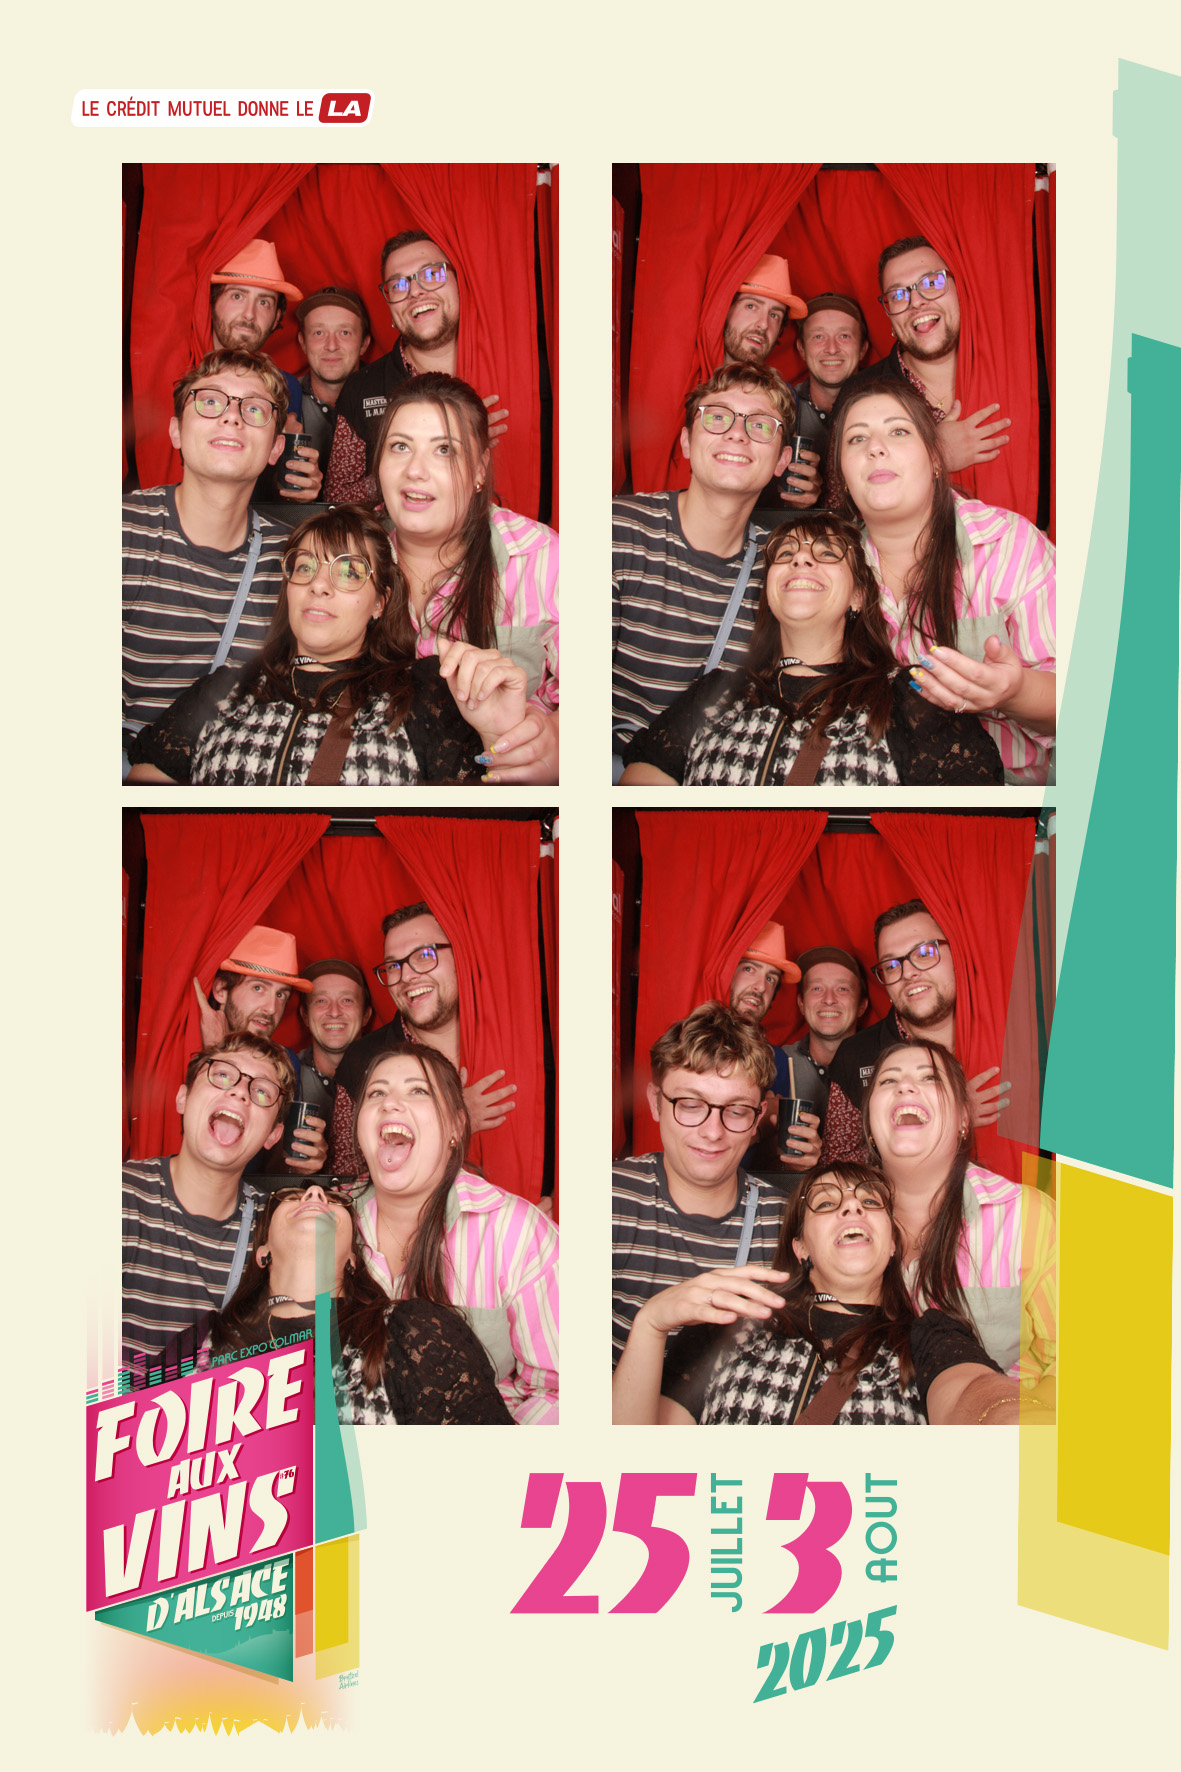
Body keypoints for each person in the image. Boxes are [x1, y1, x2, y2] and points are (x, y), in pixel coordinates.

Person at [125, 504, 529, 786]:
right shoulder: (224, 690)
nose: (319, 585)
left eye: (349, 572)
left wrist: (497, 738)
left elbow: (483, 833)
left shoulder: (421, 695)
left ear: (380, 602)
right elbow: (143, 830)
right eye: (304, 567)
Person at [612, 1162, 1022, 1426]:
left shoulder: (929, 1337)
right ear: (801, 1247)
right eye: (826, 1204)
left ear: (893, 1244)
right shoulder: (727, 1324)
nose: (852, 1209)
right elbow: (636, 1462)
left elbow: (974, 1395)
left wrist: (1013, 1423)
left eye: (870, 1201)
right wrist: (650, 1325)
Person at [618, 512, 1003, 786]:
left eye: (828, 554)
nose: (801, 558)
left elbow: (970, 835)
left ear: (857, 596)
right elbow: (643, 818)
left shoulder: (909, 698)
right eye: (785, 554)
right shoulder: (716, 692)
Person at [830, 376, 1055, 784]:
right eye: (857, 439)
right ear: (843, 474)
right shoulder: (830, 567)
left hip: (1003, 797)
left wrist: (1014, 690)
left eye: (898, 431)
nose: (875, 447)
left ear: (936, 459)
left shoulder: (1008, 544)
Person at [351, 1044, 559, 1424]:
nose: (390, 1103)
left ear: (456, 1127)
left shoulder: (517, 1232)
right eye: (376, 1093)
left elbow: (561, 1391)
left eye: (418, 1090)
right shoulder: (326, 1224)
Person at [373, 372, 558, 783]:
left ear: (479, 468)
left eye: (444, 450)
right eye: (400, 446)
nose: (415, 471)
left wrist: (559, 738)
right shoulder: (350, 556)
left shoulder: (541, 557)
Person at [612, 362, 795, 774]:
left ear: (782, 460)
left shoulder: (782, 569)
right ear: (686, 442)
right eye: (716, 417)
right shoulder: (618, 530)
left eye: (760, 425)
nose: (737, 433)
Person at [206, 1183, 514, 1425]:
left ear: (352, 1260)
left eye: (334, 1200)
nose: (314, 1194)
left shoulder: (415, 1333)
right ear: (263, 1252)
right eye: (291, 1197)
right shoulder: (204, 1352)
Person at [123, 349, 294, 764]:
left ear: (276, 447)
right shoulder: (121, 531)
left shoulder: (295, 560)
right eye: (210, 401)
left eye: (254, 408)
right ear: (176, 432)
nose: (232, 417)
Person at [864, 1040, 1056, 1386]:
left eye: (930, 1078)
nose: (905, 1086)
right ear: (870, 1126)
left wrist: (996, 1407)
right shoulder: (831, 1223)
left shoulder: (1028, 1216)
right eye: (888, 1080)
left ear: (963, 1119)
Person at [611, 1002, 785, 1374]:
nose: (712, 1132)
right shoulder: (606, 1198)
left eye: (736, 1110)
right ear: (655, 1103)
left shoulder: (788, 1224)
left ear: (758, 1117)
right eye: (690, 1105)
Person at [122, 1032, 295, 1372]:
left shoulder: (278, 1231)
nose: (240, 1091)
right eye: (223, 1075)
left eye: (261, 1091)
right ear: (183, 1098)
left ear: (273, 1135)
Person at [331, 902, 518, 1176]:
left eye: (424, 955)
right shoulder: (361, 1062)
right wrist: (451, 1122)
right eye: (393, 965)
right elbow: (347, 1176)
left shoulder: (515, 1037)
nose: (406, 976)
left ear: (461, 956)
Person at [822, 899, 1011, 1164]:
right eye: (891, 966)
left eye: (924, 952)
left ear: (957, 955)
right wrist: (950, 1116)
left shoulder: (1007, 1031)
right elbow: (839, 1168)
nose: (908, 973)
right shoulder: (854, 1056)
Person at [324, 229, 508, 502]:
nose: (416, 292)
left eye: (432, 274)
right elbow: (336, 499)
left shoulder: (511, 368)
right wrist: (402, 465)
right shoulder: (361, 388)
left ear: (460, 283)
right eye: (399, 285)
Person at [843, 236, 1011, 476]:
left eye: (932, 282)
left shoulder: (1013, 369)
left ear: (960, 289)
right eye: (898, 295)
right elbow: (844, 492)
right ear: (889, 315)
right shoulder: (857, 394)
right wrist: (935, 455)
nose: (916, 302)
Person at [184, 924, 327, 1180]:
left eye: (281, 995)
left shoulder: (286, 1062)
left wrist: (298, 1165)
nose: (271, 1008)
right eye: (258, 988)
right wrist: (215, 1053)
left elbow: (269, 1162)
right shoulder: (182, 1042)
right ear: (221, 990)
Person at [208, 238, 322, 502]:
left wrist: (302, 488)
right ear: (212, 302)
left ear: (277, 317)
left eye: (264, 303)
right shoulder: (180, 374)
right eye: (237, 296)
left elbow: (273, 485)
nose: (249, 314)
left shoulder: (287, 387)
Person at [719, 254, 819, 513]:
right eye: (751, 306)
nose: (763, 324)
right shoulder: (687, 377)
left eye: (775, 315)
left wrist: (801, 496)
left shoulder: (785, 397)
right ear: (724, 310)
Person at [724, 921, 819, 1173]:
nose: (760, 987)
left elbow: (766, 1161)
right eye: (749, 969)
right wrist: (761, 1128)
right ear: (726, 974)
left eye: (770, 978)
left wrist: (799, 1157)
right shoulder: (694, 1046)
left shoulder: (778, 1060)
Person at [784, 294, 871, 505]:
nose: (832, 348)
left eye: (844, 336)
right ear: (801, 349)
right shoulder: (781, 410)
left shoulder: (888, 408)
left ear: (862, 349)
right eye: (818, 337)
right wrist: (790, 501)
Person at [781, 946, 870, 1129]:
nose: (829, 999)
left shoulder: (886, 1064)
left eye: (843, 989)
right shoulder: (777, 1063)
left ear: (861, 1005)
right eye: (817, 988)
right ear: (801, 1003)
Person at [292, 287, 373, 478]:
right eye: (319, 333)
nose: (331, 346)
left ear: (364, 344)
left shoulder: (393, 401)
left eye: (344, 332)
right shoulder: (283, 400)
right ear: (303, 343)